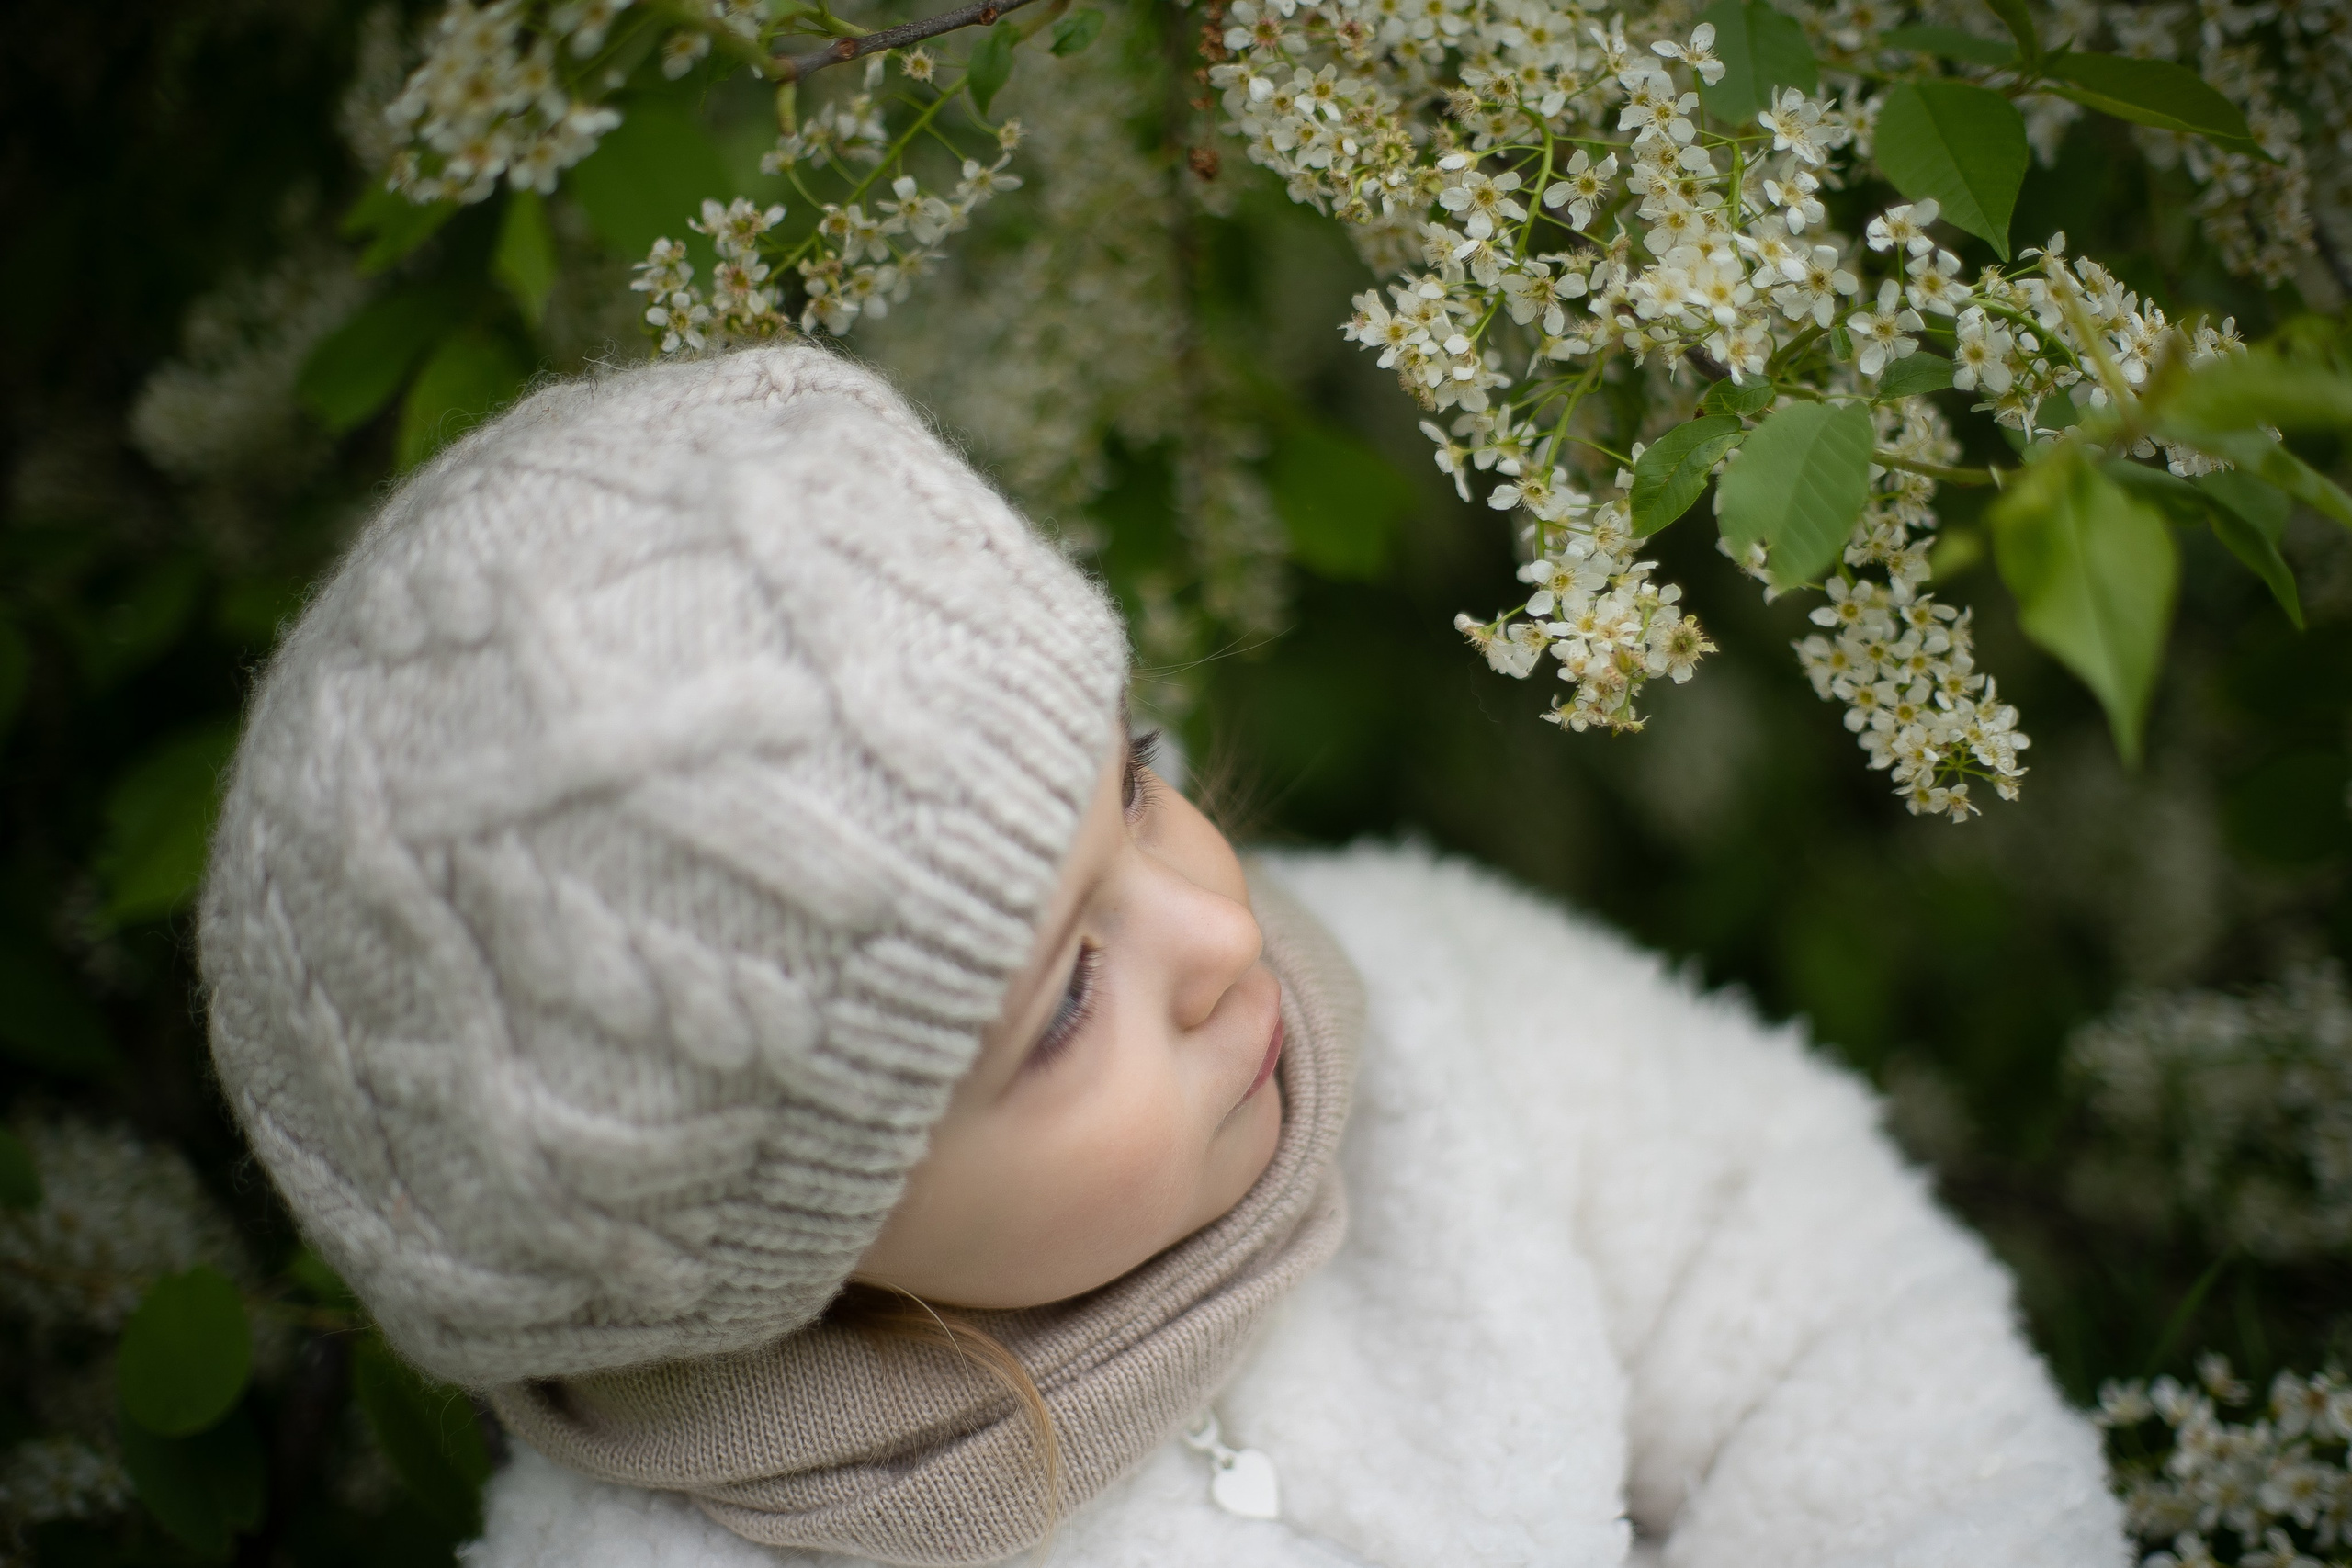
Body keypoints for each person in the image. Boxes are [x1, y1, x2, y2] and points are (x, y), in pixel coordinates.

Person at [198, 344, 2127, 1568]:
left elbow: (1830, 1311)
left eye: (1132, 781)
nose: (1217, 928)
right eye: (1062, 999)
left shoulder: (1430, 1007)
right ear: (768, 1264)